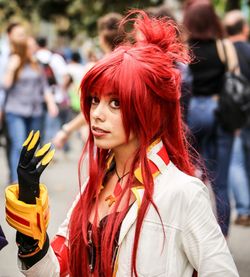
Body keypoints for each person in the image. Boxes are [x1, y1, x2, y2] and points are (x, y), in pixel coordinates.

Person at [5, 10, 239, 276]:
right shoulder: (96, 184)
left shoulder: (183, 193)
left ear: (148, 109)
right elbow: (58, 271)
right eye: (95, 100)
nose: (97, 114)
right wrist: (30, 226)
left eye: (115, 102)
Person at [183, 1, 235, 237]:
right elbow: (234, 79)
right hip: (220, 111)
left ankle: (196, 233)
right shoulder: (224, 46)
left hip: (193, 112)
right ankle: (221, 237)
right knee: (221, 181)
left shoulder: (185, 49)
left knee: (191, 175)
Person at [53, 12, 124, 149]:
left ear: (102, 38)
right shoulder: (133, 67)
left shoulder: (95, 69)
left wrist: (66, 130)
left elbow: (86, 110)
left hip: (101, 138)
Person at [2, 36, 57, 183]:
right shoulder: (14, 63)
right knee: (19, 144)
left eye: (34, 46)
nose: (34, 48)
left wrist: (51, 103)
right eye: (30, 46)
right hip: (15, 111)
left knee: (32, 147)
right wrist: (12, 68)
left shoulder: (36, 64)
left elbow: (44, 87)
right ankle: (16, 180)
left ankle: (28, 179)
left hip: (35, 112)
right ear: (22, 48)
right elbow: (5, 85)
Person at [224, 9, 250, 226]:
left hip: (235, 117)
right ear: (245, 29)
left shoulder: (224, 52)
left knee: (237, 162)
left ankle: (243, 210)